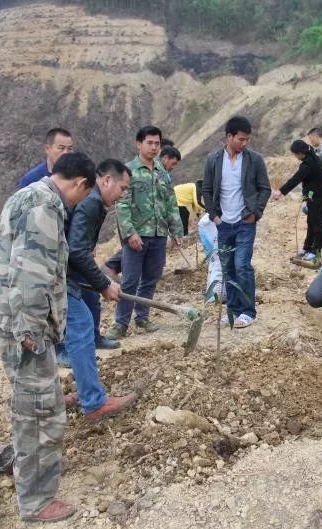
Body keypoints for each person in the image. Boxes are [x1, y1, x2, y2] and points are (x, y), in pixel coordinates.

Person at [0, 152, 94, 522]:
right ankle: (35, 501)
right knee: (39, 415)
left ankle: (27, 478)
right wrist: (33, 333)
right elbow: (31, 274)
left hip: (11, 321)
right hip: (25, 330)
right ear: (80, 184)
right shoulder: (46, 207)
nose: (79, 203)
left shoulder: (26, 194)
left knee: (34, 403)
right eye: (83, 196)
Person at [64, 159, 139, 420]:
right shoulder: (92, 203)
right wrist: (104, 283)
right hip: (60, 277)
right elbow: (76, 251)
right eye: (122, 187)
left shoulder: (94, 202)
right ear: (106, 180)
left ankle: (79, 393)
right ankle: (93, 403)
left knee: (76, 329)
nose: (123, 194)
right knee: (82, 328)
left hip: (65, 274)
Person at [106, 126, 183, 339]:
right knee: (130, 280)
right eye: (149, 143)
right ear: (139, 144)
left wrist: (176, 229)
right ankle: (120, 324)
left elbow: (170, 201)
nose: (154, 147)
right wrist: (130, 233)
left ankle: (142, 319)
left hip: (158, 235)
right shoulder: (129, 171)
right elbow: (122, 206)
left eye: (157, 143)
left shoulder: (162, 173)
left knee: (151, 278)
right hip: (137, 236)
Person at [202, 116, 271, 329]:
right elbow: (206, 189)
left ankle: (248, 312)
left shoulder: (254, 160)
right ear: (229, 137)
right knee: (228, 268)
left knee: (242, 265)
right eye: (241, 139)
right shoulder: (213, 160)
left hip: (245, 222)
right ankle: (233, 310)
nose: (245, 143)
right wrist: (214, 216)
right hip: (223, 224)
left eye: (247, 140)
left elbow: (265, 188)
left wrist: (255, 213)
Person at [271, 140, 322, 260]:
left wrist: (281, 192)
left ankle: (316, 251)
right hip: (314, 194)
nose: (296, 157)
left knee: (316, 223)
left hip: (316, 195)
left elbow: (295, 180)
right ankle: (307, 247)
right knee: (311, 221)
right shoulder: (312, 154)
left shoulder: (307, 165)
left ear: (301, 153)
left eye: (295, 154)